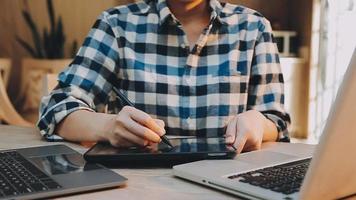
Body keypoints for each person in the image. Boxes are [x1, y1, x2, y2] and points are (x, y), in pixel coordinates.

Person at [38, 0, 291, 154]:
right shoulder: (116, 24)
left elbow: (276, 121)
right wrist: (108, 126)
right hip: (135, 187)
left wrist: (258, 122)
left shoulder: (253, 26)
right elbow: (58, 106)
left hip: (228, 183)